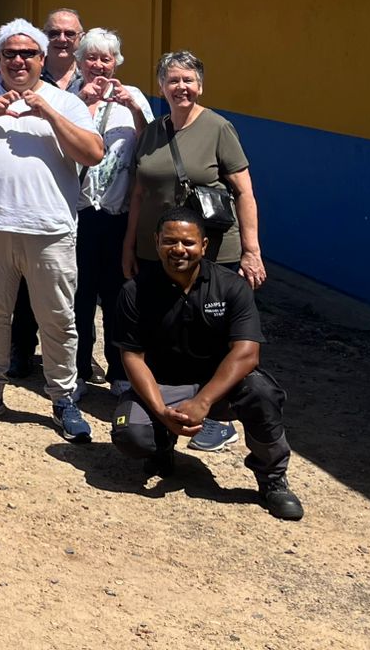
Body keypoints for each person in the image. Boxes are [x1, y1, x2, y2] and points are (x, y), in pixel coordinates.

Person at [0, 18, 103, 441]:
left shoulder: (64, 102)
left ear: (42, 58)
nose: (18, 60)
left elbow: (93, 154)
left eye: (28, 53)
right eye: (10, 53)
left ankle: (63, 399)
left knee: (58, 318)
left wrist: (47, 110)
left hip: (48, 229)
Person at [110, 206, 304, 521]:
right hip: (164, 387)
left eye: (188, 243)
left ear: (204, 246)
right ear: (156, 241)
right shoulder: (135, 291)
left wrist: (203, 401)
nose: (178, 250)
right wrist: (161, 411)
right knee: (130, 435)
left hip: (218, 389)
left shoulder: (230, 287)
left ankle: (272, 480)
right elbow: (132, 356)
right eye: (169, 241)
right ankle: (161, 447)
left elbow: (247, 353)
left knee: (261, 392)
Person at [123, 49, 265, 453]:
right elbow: (138, 192)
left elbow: (245, 192)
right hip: (159, 250)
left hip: (212, 251)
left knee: (214, 334)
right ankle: (164, 405)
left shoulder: (219, 128)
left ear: (200, 85)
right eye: (172, 80)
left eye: (188, 80)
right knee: (162, 328)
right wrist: (129, 244)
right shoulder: (152, 131)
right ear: (161, 87)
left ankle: (217, 415)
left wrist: (252, 251)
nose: (180, 87)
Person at [68, 29, 151, 387]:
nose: (99, 65)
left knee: (118, 296)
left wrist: (133, 108)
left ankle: (119, 370)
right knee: (78, 295)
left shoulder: (133, 97)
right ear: (79, 62)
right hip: (78, 212)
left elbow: (150, 144)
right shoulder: (66, 97)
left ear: (117, 62)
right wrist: (84, 104)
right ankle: (80, 369)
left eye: (106, 58)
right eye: (91, 57)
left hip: (118, 214)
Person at [7, 7, 86, 378]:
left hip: (92, 198)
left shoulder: (97, 74)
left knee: (74, 283)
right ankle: (20, 349)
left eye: (70, 34)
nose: (62, 40)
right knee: (26, 282)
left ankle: (79, 360)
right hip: (44, 199)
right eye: (54, 33)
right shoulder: (26, 75)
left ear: (80, 38)